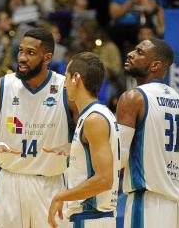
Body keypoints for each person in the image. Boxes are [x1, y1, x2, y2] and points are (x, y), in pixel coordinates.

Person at [0, 27, 76, 228]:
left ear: (47, 57)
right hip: (10, 183)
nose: (22, 58)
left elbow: (92, 133)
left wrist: (74, 146)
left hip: (50, 184)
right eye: (21, 51)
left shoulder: (65, 89)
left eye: (30, 53)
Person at [116, 38, 179, 227]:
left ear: (155, 65)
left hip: (148, 203)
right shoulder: (178, 100)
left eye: (140, 52)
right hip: (177, 203)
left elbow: (118, 157)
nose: (130, 54)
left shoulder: (133, 97)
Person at [47, 52, 121, 228]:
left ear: (76, 78)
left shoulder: (94, 119)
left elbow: (104, 180)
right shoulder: (97, 114)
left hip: (92, 218)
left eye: (66, 77)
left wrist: (61, 196)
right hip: (91, 218)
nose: (64, 85)